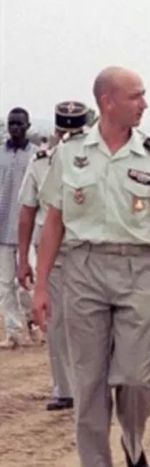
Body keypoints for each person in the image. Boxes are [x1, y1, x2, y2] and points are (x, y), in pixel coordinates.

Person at [32, 66, 150, 467]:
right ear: (108, 102)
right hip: (83, 268)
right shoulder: (70, 153)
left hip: (137, 269)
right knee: (89, 381)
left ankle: (133, 444)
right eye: (136, 96)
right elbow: (54, 221)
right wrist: (41, 285)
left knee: (136, 377)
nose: (144, 104)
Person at [16, 101, 89, 410]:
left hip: (88, 250)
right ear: (57, 132)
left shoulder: (97, 160)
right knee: (56, 321)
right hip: (53, 252)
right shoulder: (41, 162)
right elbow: (27, 211)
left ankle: (92, 385)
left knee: (90, 319)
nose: (70, 138)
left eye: (77, 133)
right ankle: (64, 388)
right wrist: (23, 260)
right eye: (65, 133)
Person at [0, 107, 39, 349]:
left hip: (29, 232)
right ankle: (13, 332)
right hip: (3, 229)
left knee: (27, 284)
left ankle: (34, 322)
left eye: (19, 124)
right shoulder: (0, 154)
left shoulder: (36, 156)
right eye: (11, 124)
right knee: (5, 285)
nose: (15, 128)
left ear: (28, 126)